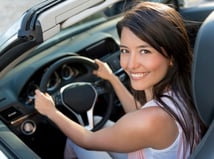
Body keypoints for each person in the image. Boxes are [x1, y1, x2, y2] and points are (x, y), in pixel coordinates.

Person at [34, 1, 206, 159]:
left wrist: (51, 112)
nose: (130, 64)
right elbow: (137, 112)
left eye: (144, 51)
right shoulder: (182, 90)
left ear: (171, 56)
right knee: (93, 122)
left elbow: (88, 140)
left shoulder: (153, 121)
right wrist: (112, 78)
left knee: (78, 137)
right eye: (125, 50)